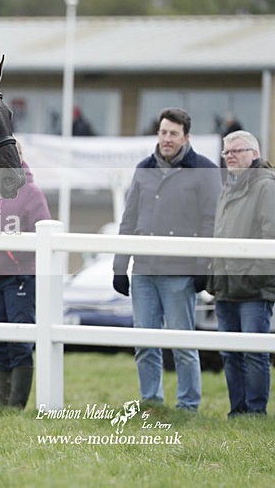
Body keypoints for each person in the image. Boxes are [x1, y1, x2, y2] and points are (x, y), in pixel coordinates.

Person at [112, 107, 221, 412]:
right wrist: (120, 267)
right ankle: (151, 403)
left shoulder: (205, 170)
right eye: (163, 132)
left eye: (173, 133)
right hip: (144, 272)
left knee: (183, 344)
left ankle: (188, 405)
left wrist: (203, 267)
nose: (167, 139)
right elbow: (128, 220)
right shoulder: (143, 168)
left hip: (180, 273)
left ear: (186, 137)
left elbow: (211, 222)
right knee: (145, 344)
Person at [0, 151, 51, 409]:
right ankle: (3, 405)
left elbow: (43, 231)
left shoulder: (31, 192)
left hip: (19, 277)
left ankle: (15, 406)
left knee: (19, 341)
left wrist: (14, 253)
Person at [207, 130, 275, 417]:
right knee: (229, 352)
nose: (230, 156)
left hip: (253, 288)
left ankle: (255, 413)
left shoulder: (266, 186)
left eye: (237, 150)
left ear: (254, 154)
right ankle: (237, 412)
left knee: (253, 352)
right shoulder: (227, 187)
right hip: (226, 285)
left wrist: (255, 278)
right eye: (227, 152)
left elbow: (271, 235)